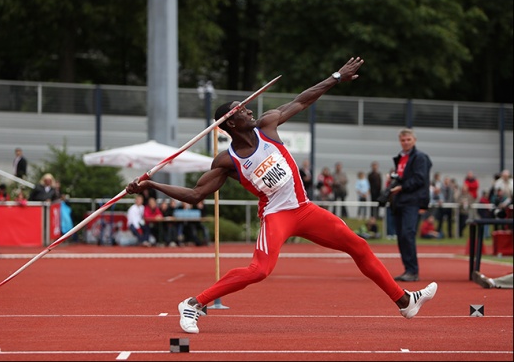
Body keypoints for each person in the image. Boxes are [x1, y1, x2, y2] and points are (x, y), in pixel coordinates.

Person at [126, 57, 437, 334]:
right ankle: (193, 303)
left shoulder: (268, 126)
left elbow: (303, 100)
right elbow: (195, 194)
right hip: (278, 215)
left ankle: (404, 300)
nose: (249, 110)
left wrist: (336, 77)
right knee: (259, 270)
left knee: (358, 245)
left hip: (305, 208)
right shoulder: (227, 160)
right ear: (230, 123)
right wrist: (153, 186)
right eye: (242, 110)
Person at [390, 128, 432, 282]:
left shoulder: (420, 157)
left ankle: (413, 271)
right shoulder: (401, 158)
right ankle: (408, 269)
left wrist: (402, 186)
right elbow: (403, 177)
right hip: (400, 200)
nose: (405, 142)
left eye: (408, 139)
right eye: (403, 140)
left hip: (412, 200)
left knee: (408, 233)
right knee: (401, 236)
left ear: (414, 140)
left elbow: (420, 178)